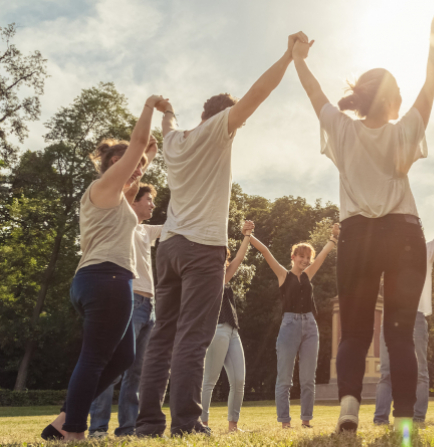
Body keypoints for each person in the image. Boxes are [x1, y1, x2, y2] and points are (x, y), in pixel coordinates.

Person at [291, 1, 434, 433]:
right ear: (394, 99)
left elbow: (315, 95)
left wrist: (298, 58)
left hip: (358, 236)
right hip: (403, 233)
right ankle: (404, 420)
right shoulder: (405, 130)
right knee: (400, 334)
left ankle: (349, 408)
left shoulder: (343, 129)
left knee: (353, 332)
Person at [136, 32, 309, 438]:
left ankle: (146, 422)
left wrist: (166, 109)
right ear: (226, 117)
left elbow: (169, 124)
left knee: (163, 336)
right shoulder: (220, 130)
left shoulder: (175, 141)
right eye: (238, 120)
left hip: (171, 247)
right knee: (193, 337)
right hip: (201, 249)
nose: (241, 125)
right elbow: (258, 93)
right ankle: (185, 423)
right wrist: (287, 56)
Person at [41, 95, 163, 441]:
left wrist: (146, 156)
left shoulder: (116, 198)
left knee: (123, 357)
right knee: (94, 358)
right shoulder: (103, 187)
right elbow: (137, 145)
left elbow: (138, 165)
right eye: (128, 163)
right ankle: (75, 431)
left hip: (100, 280)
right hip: (106, 279)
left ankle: (65, 419)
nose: (136, 170)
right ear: (113, 163)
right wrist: (150, 106)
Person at [374, 195, 434, 425]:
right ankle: (380, 419)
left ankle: (417, 417)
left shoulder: (426, 250)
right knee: (387, 371)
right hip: (391, 317)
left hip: (416, 318)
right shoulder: (388, 255)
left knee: (418, 371)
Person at [247, 221, 339, 428]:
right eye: (302, 256)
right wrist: (248, 235)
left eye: (308, 258)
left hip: (310, 326)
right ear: (293, 257)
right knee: (285, 379)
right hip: (289, 326)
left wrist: (333, 238)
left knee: (308, 379)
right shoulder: (283, 275)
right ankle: (285, 423)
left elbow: (323, 255)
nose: (305, 261)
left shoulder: (308, 275)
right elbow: (265, 251)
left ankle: (306, 421)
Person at [88, 182, 162, 438]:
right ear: (134, 201)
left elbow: (176, 226)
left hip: (149, 306)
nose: (153, 204)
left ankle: (127, 429)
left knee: (136, 371)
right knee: (112, 366)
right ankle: (97, 428)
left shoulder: (146, 231)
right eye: (149, 199)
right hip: (128, 301)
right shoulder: (124, 224)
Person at [201, 221, 254, 433]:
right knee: (210, 381)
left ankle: (233, 426)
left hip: (232, 331)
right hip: (217, 330)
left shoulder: (224, 277)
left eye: (225, 257)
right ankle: (202, 423)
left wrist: (247, 235)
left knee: (239, 379)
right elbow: (239, 259)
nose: (224, 260)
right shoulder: (209, 279)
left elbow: (239, 258)